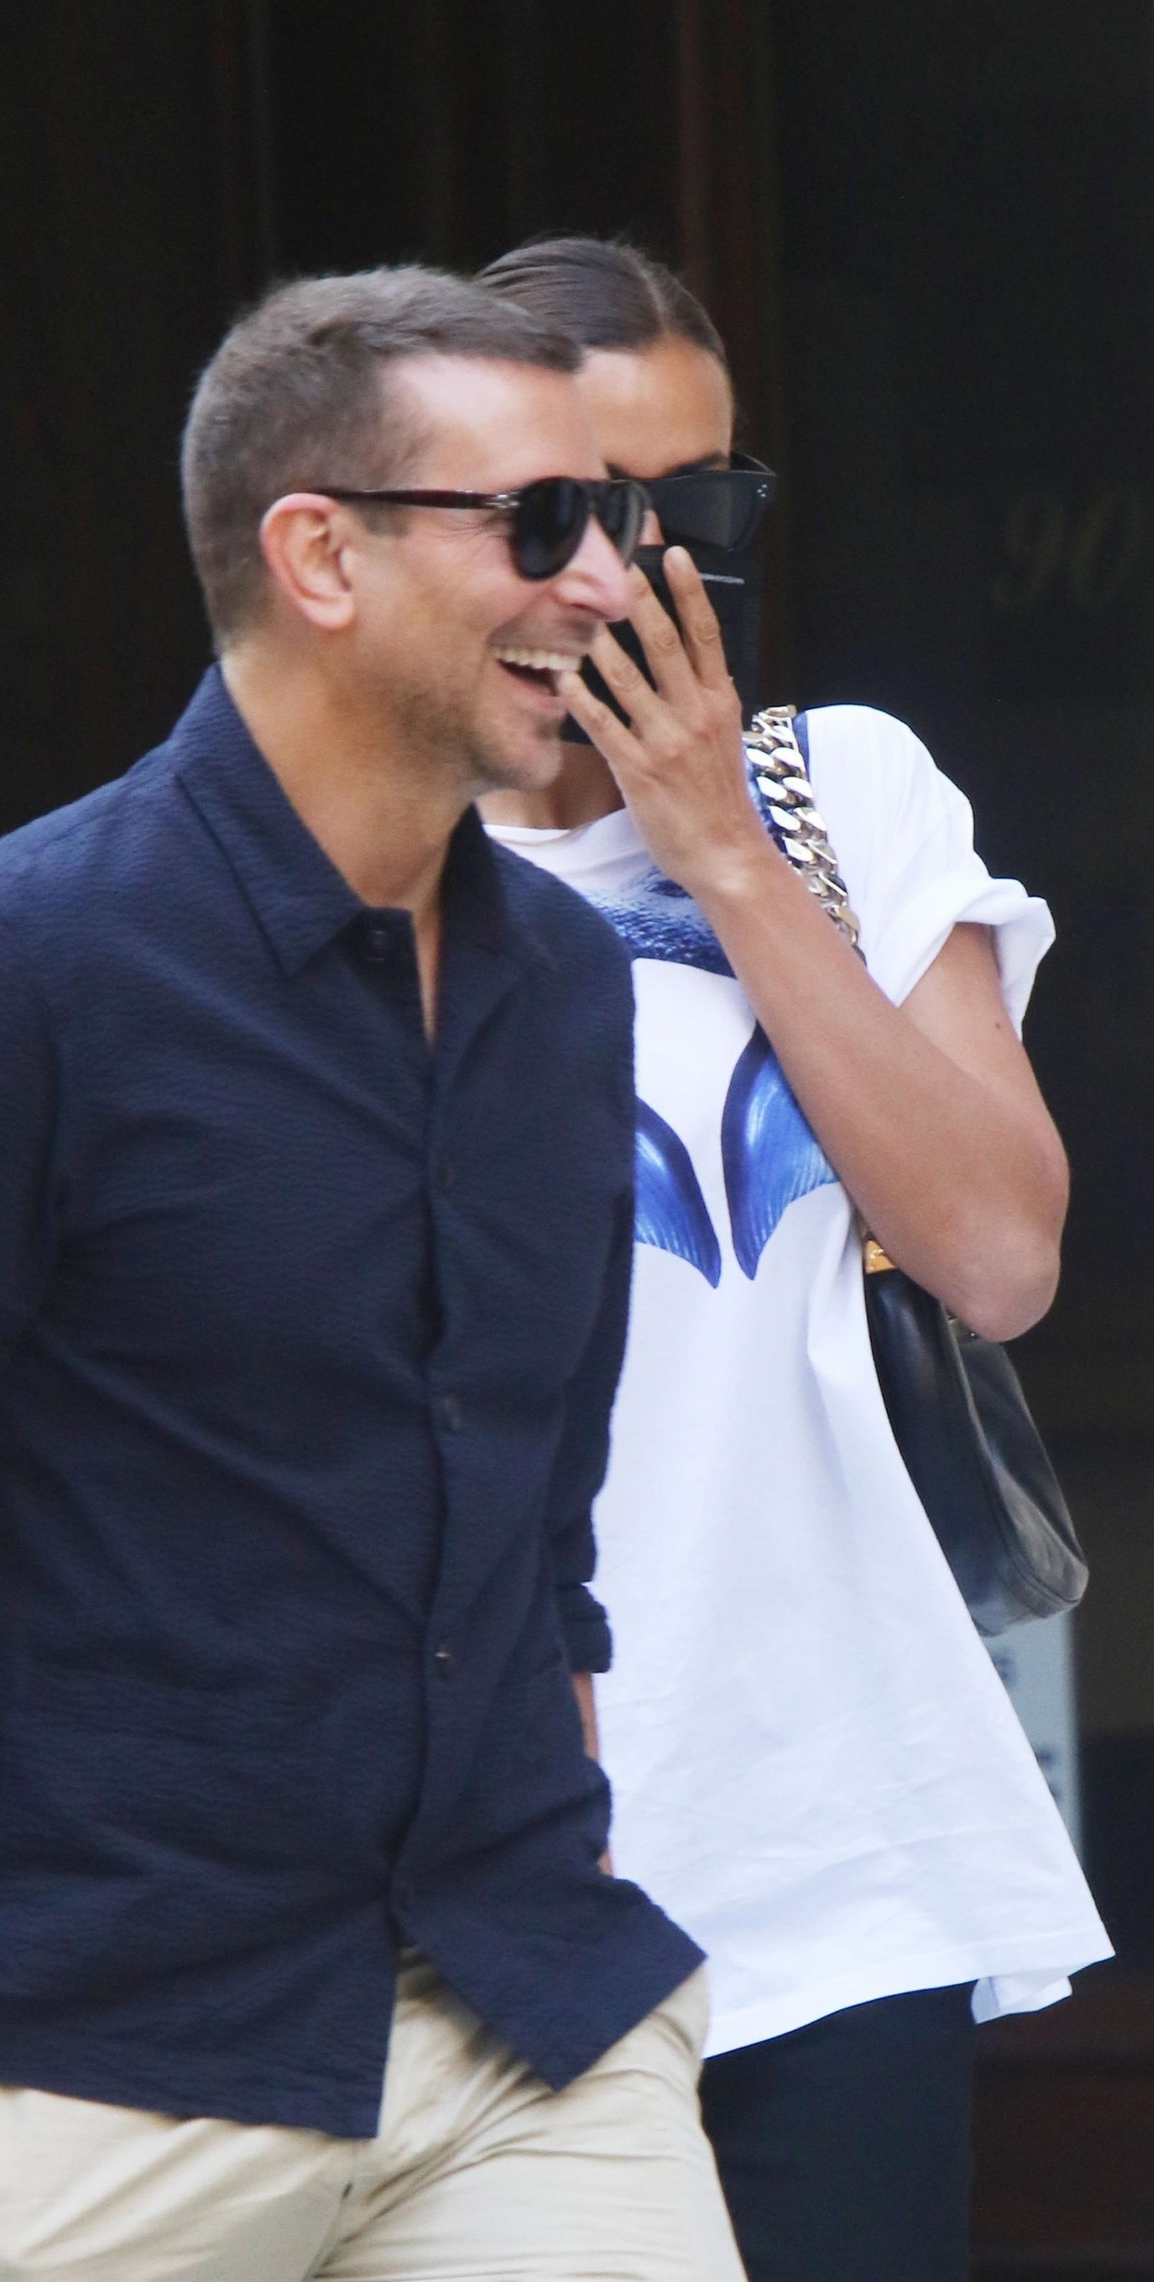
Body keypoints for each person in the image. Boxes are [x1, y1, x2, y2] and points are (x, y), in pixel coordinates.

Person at [0, 267, 747, 2282]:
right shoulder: (14, 973)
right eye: (538, 522)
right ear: (317, 555)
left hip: (524, 2029)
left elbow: (537, 1530)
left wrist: (564, 1847)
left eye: (614, 518)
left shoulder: (566, 991)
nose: (608, 581)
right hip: (92, 2075)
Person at [476, 235, 1111, 2282]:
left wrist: (724, 858)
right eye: (587, 506)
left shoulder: (837, 788)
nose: (649, 566)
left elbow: (996, 1249)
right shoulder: (360, 860)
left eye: (704, 502)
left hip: (831, 1841)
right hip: (484, 1872)